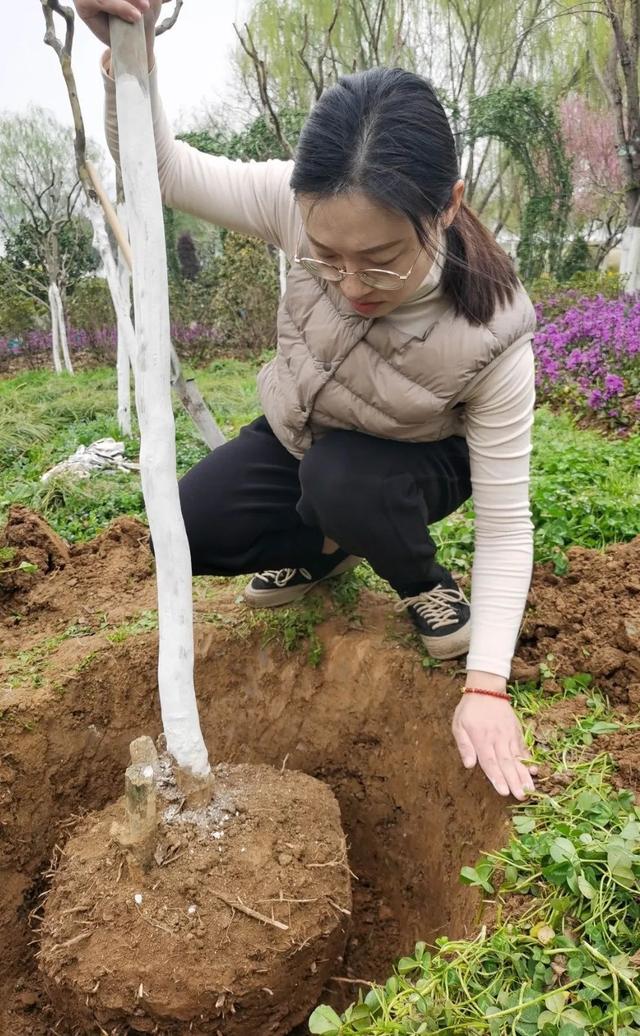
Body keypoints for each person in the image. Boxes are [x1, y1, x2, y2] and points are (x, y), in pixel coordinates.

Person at [76, 0, 538, 802]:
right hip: (302, 437)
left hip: (407, 465)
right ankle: (327, 547)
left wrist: (488, 684)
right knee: (182, 528)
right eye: (327, 257)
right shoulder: (293, 201)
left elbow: (505, 524)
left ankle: (420, 581)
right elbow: (164, 174)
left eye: (382, 260)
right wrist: (132, 56)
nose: (352, 284)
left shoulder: (491, 329)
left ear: (448, 206)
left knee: (345, 482)